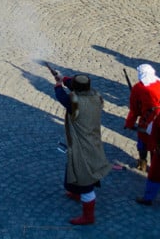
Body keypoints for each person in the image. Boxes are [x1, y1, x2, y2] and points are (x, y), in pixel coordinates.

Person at [51, 72, 111, 226]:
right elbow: (76, 86)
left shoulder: (75, 102)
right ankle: (75, 192)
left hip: (82, 144)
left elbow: (62, 97)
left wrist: (58, 85)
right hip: (91, 139)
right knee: (74, 167)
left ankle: (88, 216)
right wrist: (63, 78)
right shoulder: (96, 96)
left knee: (85, 182)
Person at [124, 64, 160, 172]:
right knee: (157, 140)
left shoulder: (138, 87)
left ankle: (142, 162)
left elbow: (134, 110)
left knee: (143, 139)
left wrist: (129, 123)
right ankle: (155, 166)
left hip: (147, 118)